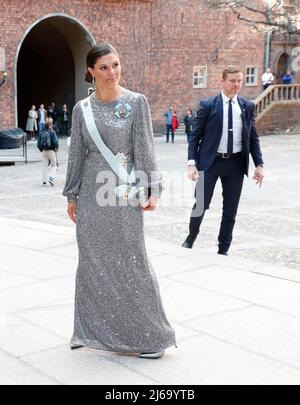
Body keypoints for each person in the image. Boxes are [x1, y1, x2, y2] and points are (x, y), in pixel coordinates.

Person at [63, 43, 176, 359]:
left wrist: (152, 187)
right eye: (103, 68)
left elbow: (145, 148)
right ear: (91, 72)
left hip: (122, 194)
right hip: (90, 195)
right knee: (91, 262)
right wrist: (72, 193)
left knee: (131, 259)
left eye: (115, 65)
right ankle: (86, 329)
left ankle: (153, 336)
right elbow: (76, 154)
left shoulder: (136, 103)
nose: (112, 72)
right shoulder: (80, 110)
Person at [182, 67, 264, 255]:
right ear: (222, 81)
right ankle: (190, 238)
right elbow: (195, 136)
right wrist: (191, 163)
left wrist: (259, 164)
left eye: (239, 81)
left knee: (230, 210)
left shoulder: (247, 106)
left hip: (235, 164)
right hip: (210, 163)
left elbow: (253, 137)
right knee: (200, 204)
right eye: (232, 80)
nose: (236, 85)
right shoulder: (208, 105)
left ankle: (223, 249)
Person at [37, 117, 59, 186]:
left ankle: (44, 181)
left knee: (44, 166)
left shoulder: (41, 132)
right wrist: (57, 148)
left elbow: (38, 144)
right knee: (54, 165)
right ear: (50, 125)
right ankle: (51, 178)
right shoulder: (52, 132)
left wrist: (41, 149)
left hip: (44, 151)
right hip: (51, 151)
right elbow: (55, 142)